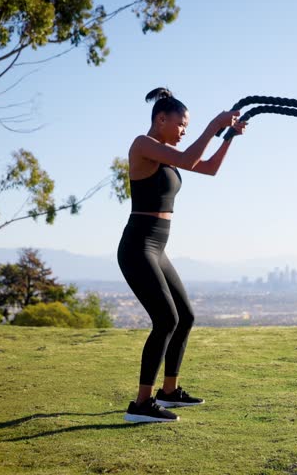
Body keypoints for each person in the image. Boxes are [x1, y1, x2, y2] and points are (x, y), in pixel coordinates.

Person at [117, 87, 247, 423]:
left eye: (187, 126)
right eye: (181, 124)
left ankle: (169, 392)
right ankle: (141, 405)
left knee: (184, 317)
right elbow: (190, 158)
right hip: (138, 246)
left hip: (157, 248)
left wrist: (228, 136)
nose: (184, 130)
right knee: (166, 320)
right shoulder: (142, 145)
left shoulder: (166, 155)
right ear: (160, 119)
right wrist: (214, 124)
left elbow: (208, 168)